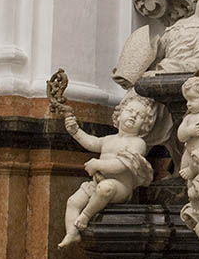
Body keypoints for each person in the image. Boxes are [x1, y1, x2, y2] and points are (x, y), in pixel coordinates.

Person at [59, 94, 156, 247]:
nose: (133, 116)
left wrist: (97, 165)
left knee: (105, 188)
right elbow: (92, 142)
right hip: (96, 183)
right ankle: (72, 233)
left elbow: (120, 165)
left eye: (140, 116)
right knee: (73, 202)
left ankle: (85, 215)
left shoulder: (138, 143)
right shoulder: (109, 139)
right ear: (119, 113)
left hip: (120, 187)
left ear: (145, 124)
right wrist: (75, 131)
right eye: (130, 111)